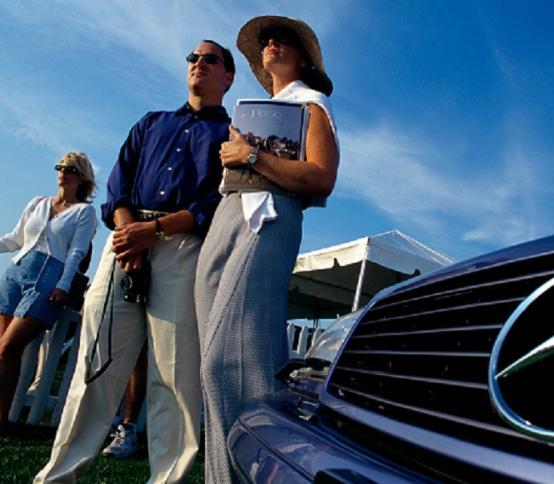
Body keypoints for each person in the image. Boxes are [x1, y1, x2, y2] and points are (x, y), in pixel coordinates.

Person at [35, 39, 235, 483]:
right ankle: (57, 476)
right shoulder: (151, 122)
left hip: (182, 247)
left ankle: (167, 479)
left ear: (228, 76)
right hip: (125, 243)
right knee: (95, 363)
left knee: (175, 375)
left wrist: (155, 232)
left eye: (210, 59)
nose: (198, 64)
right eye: (193, 58)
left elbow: (218, 201)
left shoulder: (232, 136)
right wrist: (131, 235)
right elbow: (118, 184)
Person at [194, 16, 339, 483]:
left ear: (304, 59)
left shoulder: (311, 103)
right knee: (214, 360)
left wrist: (253, 156)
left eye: (284, 40)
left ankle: (259, 472)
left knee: (229, 360)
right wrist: (234, 156)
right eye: (267, 41)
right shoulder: (253, 111)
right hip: (228, 212)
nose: (272, 43)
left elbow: (322, 177)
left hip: (270, 215)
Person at [0, 152, 97, 431]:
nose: (63, 172)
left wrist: (63, 285)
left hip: (48, 278)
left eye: (71, 169)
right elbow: (15, 239)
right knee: (3, 352)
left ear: (82, 177)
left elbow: (76, 252)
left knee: (9, 347)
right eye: (60, 167)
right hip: (16, 273)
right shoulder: (38, 203)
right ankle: (3, 417)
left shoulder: (84, 212)